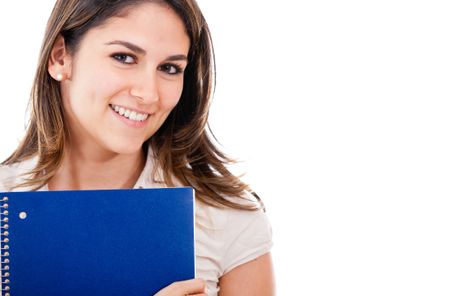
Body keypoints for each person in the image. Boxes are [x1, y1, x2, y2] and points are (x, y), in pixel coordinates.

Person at [0, 0, 275, 295]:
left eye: (169, 68)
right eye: (124, 57)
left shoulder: (228, 219)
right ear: (60, 58)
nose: (148, 93)